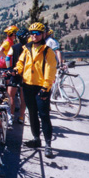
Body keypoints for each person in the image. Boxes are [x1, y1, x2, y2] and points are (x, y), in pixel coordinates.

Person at [13, 22, 57, 158]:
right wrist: (16, 70)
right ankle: (36, 139)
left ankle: (48, 144)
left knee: (43, 115)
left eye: (37, 33)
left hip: (41, 87)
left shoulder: (47, 51)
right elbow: (21, 63)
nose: (34, 36)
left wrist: (46, 87)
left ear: (43, 34)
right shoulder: (27, 48)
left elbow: (50, 70)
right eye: (32, 33)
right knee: (32, 113)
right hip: (27, 86)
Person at [5, 27, 30, 124]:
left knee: (11, 95)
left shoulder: (14, 47)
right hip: (26, 75)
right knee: (24, 98)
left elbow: (7, 58)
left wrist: (9, 69)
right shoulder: (30, 48)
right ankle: (21, 117)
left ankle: (11, 116)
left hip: (14, 73)